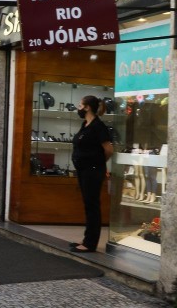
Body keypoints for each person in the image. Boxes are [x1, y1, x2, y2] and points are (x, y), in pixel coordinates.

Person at [69, 95, 113, 253]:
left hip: (92, 170)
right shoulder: (85, 125)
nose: (78, 108)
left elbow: (108, 149)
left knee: (92, 205)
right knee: (88, 205)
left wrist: (99, 163)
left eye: (80, 105)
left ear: (87, 107)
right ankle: (87, 239)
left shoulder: (98, 126)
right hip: (83, 170)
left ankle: (90, 243)